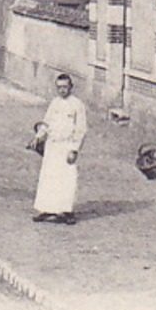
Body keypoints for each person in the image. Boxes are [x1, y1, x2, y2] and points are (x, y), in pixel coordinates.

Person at [32, 72, 87, 225]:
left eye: (65, 87)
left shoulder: (77, 105)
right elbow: (46, 123)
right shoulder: (54, 103)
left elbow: (81, 129)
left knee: (66, 179)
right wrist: (38, 136)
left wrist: (74, 149)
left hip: (66, 145)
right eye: (59, 87)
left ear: (71, 87)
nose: (62, 90)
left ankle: (66, 211)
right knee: (49, 177)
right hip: (52, 145)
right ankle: (47, 209)